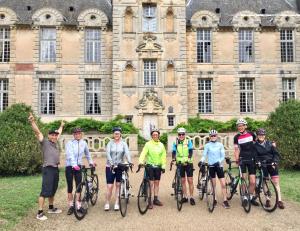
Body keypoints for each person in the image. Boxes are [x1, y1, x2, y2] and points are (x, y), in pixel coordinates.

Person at [28, 112, 64, 220]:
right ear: (48, 135)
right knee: (45, 191)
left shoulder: (55, 142)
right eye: (52, 135)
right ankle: (39, 212)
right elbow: (38, 132)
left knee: (53, 189)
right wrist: (32, 121)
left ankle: (51, 208)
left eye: (55, 135)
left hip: (55, 169)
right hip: (48, 169)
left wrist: (61, 126)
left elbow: (59, 132)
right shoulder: (44, 142)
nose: (54, 136)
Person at [65, 127, 94, 215]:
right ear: (73, 135)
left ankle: (78, 205)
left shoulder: (83, 143)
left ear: (81, 134)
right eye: (76, 133)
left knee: (79, 186)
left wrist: (91, 162)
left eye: (79, 133)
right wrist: (74, 165)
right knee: (70, 187)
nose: (78, 135)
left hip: (79, 167)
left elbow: (87, 154)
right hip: (70, 166)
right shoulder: (69, 143)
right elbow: (70, 155)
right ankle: (70, 206)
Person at [254, 128, 285, 209]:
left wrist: (275, 161)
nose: (261, 136)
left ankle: (279, 200)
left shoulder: (270, 144)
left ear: (265, 136)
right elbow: (255, 156)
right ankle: (267, 199)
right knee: (264, 181)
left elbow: (276, 154)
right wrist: (257, 162)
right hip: (263, 165)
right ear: (257, 136)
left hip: (272, 164)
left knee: (276, 182)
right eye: (259, 135)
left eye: (263, 135)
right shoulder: (255, 145)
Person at [199, 130, 230, 208]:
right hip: (211, 166)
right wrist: (201, 161)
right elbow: (204, 155)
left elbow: (222, 156)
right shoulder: (207, 145)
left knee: (223, 184)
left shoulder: (220, 145)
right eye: (212, 136)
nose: (213, 137)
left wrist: (218, 161)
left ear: (217, 136)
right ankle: (215, 199)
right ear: (210, 137)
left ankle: (225, 200)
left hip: (219, 166)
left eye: (214, 135)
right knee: (213, 184)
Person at [104, 127, 132, 211]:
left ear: (120, 134)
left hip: (120, 166)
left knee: (118, 185)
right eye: (115, 133)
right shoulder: (110, 143)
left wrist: (130, 162)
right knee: (110, 186)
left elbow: (127, 152)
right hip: (110, 166)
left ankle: (116, 202)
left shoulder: (123, 144)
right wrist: (112, 163)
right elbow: (108, 154)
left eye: (118, 133)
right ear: (113, 134)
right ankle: (107, 202)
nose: (116, 135)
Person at [234, 118, 259, 206]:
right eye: (238, 126)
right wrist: (237, 159)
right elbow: (236, 150)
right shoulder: (236, 137)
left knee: (252, 181)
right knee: (243, 179)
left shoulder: (252, 134)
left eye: (241, 126)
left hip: (252, 160)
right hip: (242, 160)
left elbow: (258, 144)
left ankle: (251, 197)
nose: (239, 127)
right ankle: (244, 197)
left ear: (245, 126)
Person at [139, 128, 166, 209]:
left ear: (158, 136)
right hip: (150, 165)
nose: (155, 136)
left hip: (158, 166)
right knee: (151, 183)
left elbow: (163, 156)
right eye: (153, 135)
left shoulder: (161, 145)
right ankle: (149, 201)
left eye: (156, 135)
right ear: (151, 136)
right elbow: (143, 153)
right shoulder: (148, 144)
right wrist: (140, 161)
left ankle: (155, 199)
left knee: (157, 183)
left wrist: (163, 166)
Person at [171, 127, 195, 205]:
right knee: (183, 181)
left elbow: (191, 151)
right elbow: (174, 152)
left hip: (188, 163)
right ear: (178, 135)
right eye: (179, 134)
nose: (181, 135)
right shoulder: (175, 142)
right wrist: (173, 158)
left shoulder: (188, 141)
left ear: (185, 134)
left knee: (190, 180)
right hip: (180, 163)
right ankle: (185, 197)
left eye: (183, 134)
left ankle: (191, 197)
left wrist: (188, 159)